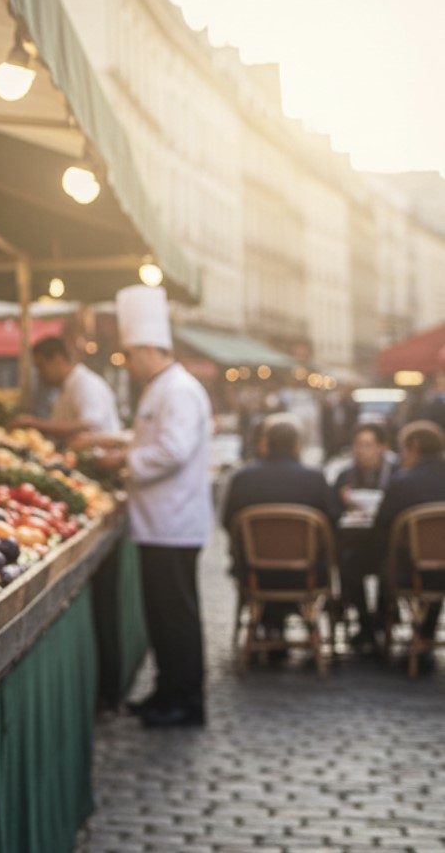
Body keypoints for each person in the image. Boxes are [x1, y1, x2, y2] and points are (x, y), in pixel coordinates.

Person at [95, 286, 213, 728]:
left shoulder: (177, 390)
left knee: (176, 617)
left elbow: (172, 451)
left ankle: (184, 700)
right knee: (163, 617)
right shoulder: (163, 387)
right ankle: (168, 691)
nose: (127, 363)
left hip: (173, 522)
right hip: (161, 522)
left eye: (129, 354)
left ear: (148, 348)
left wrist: (123, 460)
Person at [221, 414, 337, 644]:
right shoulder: (314, 478)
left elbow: (228, 522)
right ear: (297, 445)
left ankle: (270, 623)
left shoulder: (243, 478)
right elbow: (332, 523)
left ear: (266, 444)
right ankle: (281, 620)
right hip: (306, 574)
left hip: (255, 572)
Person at [372, 420, 445, 668]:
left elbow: (382, 524)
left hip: (412, 570)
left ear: (413, 447)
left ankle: (380, 630)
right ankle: (424, 634)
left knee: (383, 558)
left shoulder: (403, 482)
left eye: (403, 449)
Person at [332, 423, 397, 650]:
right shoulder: (345, 475)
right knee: (346, 562)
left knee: (391, 566)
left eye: (368, 445)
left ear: (382, 447)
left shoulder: (397, 473)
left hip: (389, 543)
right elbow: (332, 512)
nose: (361, 451)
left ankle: (382, 618)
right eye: (358, 445)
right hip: (355, 543)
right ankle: (365, 622)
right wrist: (345, 503)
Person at [11, 336, 122, 444]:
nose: (40, 374)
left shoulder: (85, 383)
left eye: (41, 366)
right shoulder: (65, 387)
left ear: (58, 359)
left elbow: (87, 425)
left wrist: (35, 423)